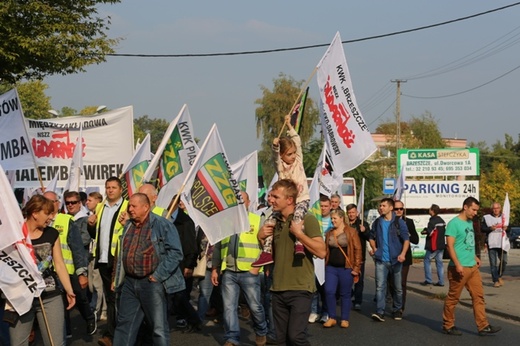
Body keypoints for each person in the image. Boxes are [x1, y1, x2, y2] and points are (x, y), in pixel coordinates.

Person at [257, 179, 326, 345]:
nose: (270, 199)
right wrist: (260, 238)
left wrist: (300, 235)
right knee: (280, 340)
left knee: (296, 337)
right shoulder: (274, 222)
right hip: (277, 288)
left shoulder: (306, 220)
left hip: (300, 288)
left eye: (275, 196)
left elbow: (321, 251)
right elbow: (272, 254)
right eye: (270, 196)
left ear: (289, 200)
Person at [112, 193, 185, 346]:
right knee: (124, 325)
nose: (130, 209)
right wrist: (117, 277)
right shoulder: (128, 225)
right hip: (130, 283)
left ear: (146, 207)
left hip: (151, 283)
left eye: (134, 206)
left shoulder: (162, 225)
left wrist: (158, 276)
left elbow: (176, 253)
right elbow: (121, 254)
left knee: (158, 328)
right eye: (129, 205)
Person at [8, 195, 76, 346]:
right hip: (20, 297)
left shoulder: (52, 233)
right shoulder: (13, 234)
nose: (52, 217)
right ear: (35, 213)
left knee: (55, 343)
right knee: (18, 343)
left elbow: (59, 264)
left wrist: (69, 290)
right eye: (48, 213)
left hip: (49, 295)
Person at [253, 115, 310, 267]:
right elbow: (275, 156)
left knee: (298, 218)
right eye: (288, 154)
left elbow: (297, 140)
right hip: (285, 202)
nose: (292, 157)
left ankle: (299, 244)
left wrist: (290, 126)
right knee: (270, 221)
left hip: (301, 199)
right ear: (283, 155)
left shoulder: (298, 160)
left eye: (293, 153)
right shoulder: (280, 166)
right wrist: (275, 146)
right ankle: (266, 252)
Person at [211, 191, 268, 346]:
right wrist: (215, 268)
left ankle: (262, 331)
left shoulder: (257, 220)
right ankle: (232, 338)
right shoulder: (226, 222)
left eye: (243, 200)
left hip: (250, 271)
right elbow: (218, 246)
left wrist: (259, 266)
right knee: (229, 307)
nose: (240, 203)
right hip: (229, 271)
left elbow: (266, 246)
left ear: (249, 203)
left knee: (255, 306)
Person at [442, 197, 501, 336]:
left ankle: (483, 325)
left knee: (478, 296)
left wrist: (475, 257)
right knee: (453, 298)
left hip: (472, 267)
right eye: (473, 210)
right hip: (459, 268)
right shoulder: (453, 224)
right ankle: (448, 324)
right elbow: (450, 246)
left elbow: (467, 243)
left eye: (476, 210)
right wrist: (457, 264)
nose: (475, 213)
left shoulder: (469, 222)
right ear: (465, 207)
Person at [44, 190, 95, 337]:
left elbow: (78, 248)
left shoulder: (66, 220)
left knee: (79, 296)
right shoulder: (41, 222)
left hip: (68, 270)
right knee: (58, 302)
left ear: (57, 203)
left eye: (51, 201)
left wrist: (82, 273)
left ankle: (89, 317)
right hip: (50, 272)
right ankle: (65, 331)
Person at [88, 177, 128, 346]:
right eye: (108, 187)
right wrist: (91, 225)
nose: (110, 190)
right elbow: (96, 234)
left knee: (120, 298)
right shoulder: (100, 207)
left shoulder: (127, 207)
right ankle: (113, 333)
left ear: (120, 190)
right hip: (103, 259)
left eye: (113, 187)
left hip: (119, 260)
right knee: (111, 298)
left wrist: (127, 223)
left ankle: (115, 333)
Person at [369, 197, 409, 322]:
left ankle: (397, 309)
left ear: (391, 208)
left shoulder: (399, 222)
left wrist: (402, 254)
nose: (381, 208)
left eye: (384, 206)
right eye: (380, 206)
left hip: (396, 260)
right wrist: (374, 247)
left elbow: (406, 240)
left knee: (397, 287)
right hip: (381, 260)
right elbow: (371, 236)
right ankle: (380, 311)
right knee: (380, 287)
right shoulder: (377, 222)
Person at [323, 209, 362, 328]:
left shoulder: (351, 232)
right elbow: (326, 249)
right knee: (329, 291)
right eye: (332, 218)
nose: (332, 220)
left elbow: (358, 250)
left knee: (345, 293)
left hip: (346, 268)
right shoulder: (329, 232)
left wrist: (356, 267)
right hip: (331, 267)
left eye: (335, 218)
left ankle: (345, 318)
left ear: (341, 218)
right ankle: (332, 317)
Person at [168, 195, 201, 332]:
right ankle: (182, 317)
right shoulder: (164, 218)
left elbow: (191, 246)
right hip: (168, 262)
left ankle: (193, 319)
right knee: (173, 294)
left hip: (181, 264)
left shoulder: (185, 221)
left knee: (180, 294)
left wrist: (189, 265)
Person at [309, 195, 332, 324]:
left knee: (326, 287)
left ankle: (326, 311)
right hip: (314, 257)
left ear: (330, 207)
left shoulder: (333, 221)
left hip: (328, 259)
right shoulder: (313, 220)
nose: (323, 208)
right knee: (313, 286)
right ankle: (314, 311)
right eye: (321, 206)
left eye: (325, 206)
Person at [392, 200, 418, 312]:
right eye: (396, 209)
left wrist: (408, 235)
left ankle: (400, 307)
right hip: (392, 255)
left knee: (402, 283)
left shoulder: (409, 222)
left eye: (400, 209)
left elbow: (416, 240)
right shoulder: (389, 222)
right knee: (392, 283)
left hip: (405, 256)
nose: (398, 211)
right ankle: (395, 302)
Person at [85, 191, 106, 321]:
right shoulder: (91, 216)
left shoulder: (101, 216)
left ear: (98, 202)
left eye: (90, 200)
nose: (87, 202)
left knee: (98, 285)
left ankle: (100, 310)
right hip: (91, 256)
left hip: (99, 255)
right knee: (92, 285)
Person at [346, 203, 370, 311]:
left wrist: (364, 232)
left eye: (353, 212)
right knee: (346, 280)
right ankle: (349, 294)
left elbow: (370, 237)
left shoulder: (362, 224)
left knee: (359, 280)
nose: (351, 214)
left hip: (359, 257)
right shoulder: (345, 224)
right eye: (349, 213)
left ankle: (358, 301)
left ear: (357, 213)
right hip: (346, 256)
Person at [481, 202, 510, 288]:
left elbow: (509, 228)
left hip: (502, 243)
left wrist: (507, 228)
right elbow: (482, 228)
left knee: (504, 261)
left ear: (500, 208)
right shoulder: (487, 218)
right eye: (494, 208)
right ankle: (496, 280)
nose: (496, 210)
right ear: (492, 209)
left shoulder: (504, 217)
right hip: (492, 243)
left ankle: (499, 275)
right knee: (493, 263)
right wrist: (490, 228)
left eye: (497, 208)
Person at [421, 204, 446, 286]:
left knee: (427, 260)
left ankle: (428, 280)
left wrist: (425, 231)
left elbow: (431, 232)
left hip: (433, 245)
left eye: (429, 209)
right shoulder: (441, 220)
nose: (429, 210)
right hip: (441, 244)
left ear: (432, 211)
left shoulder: (432, 221)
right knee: (439, 263)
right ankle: (441, 281)